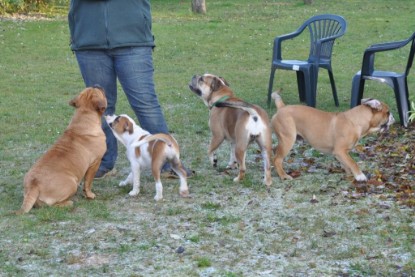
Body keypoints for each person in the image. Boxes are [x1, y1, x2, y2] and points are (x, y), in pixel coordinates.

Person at [68, 0, 193, 179]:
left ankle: (167, 162)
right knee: (100, 107)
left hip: (133, 38)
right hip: (89, 40)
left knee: (146, 104)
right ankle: (103, 162)